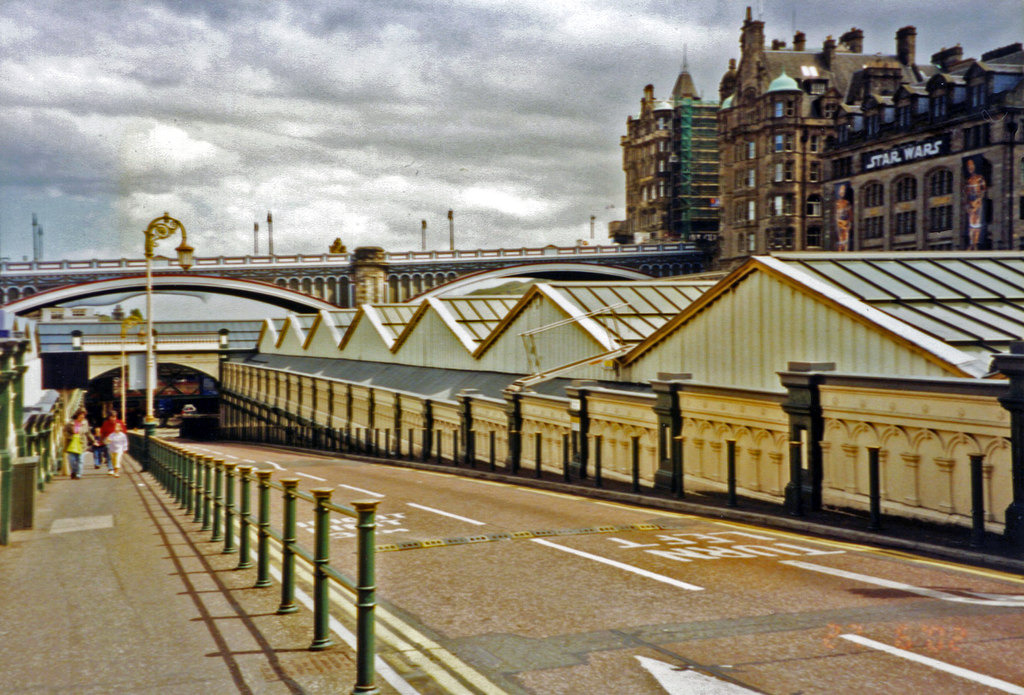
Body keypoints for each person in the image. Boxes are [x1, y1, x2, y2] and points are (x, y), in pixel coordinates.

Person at [64, 410, 92, 480]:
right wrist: (71, 436)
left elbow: (88, 433)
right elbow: (65, 431)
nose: (82, 416)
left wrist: (93, 440)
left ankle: (78, 474)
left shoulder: (85, 423)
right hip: (71, 444)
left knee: (80, 460)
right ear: (77, 415)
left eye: (83, 415)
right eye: (81, 415)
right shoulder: (70, 423)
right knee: (72, 460)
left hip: (81, 444)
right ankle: (74, 471)